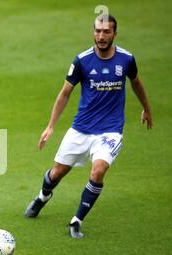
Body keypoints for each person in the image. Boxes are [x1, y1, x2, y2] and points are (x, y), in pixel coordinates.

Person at [25, 14, 153, 238]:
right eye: (97, 31)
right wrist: (51, 126)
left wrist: (147, 108)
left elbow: (136, 83)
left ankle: (76, 221)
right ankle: (42, 197)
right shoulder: (82, 60)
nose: (101, 36)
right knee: (56, 174)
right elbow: (65, 93)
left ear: (114, 34)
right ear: (93, 32)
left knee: (98, 171)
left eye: (106, 32)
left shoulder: (126, 59)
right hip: (80, 129)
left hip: (110, 131)